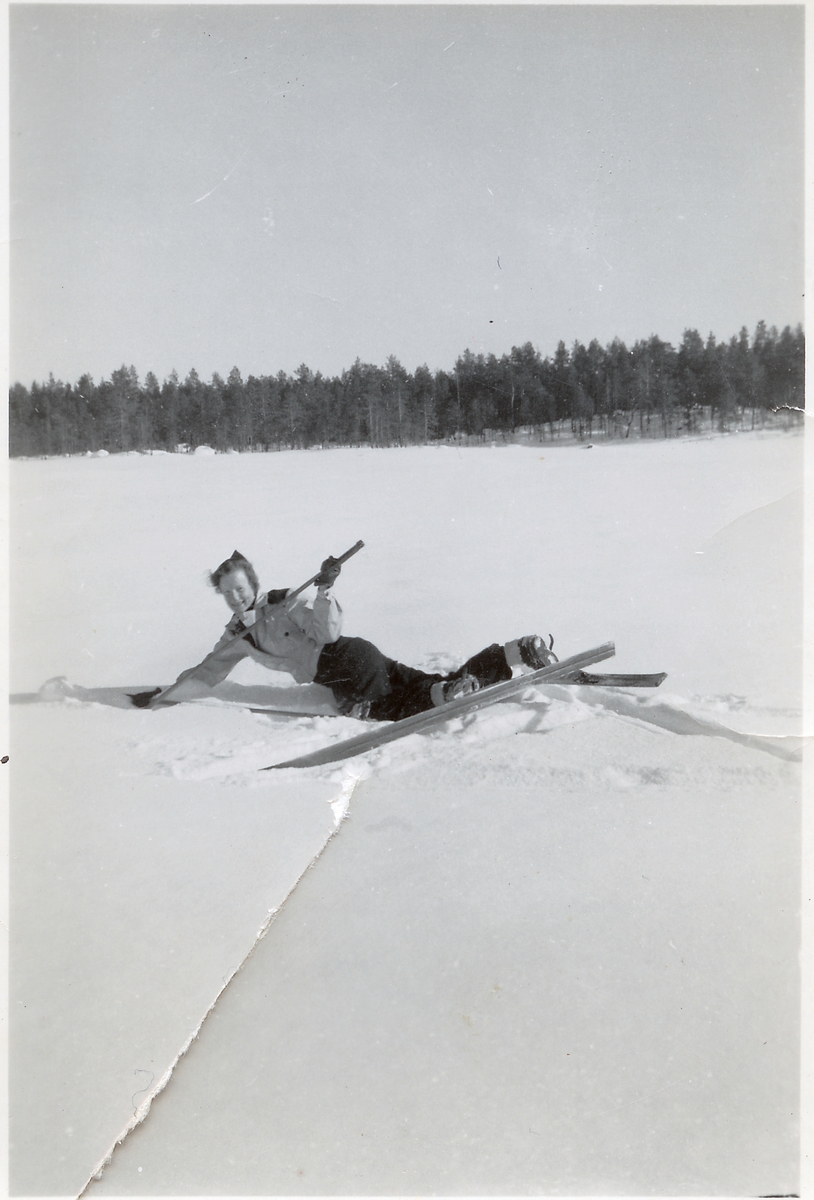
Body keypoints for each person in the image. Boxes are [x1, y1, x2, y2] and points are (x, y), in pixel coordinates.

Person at [134, 550, 557, 721]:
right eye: (227, 592)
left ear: (253, 583)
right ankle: (517, 652)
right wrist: (165, 695)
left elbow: (328, 631)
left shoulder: (282, 602)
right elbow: (207, 671)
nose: (235, 597)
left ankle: (448, 692)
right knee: (434, 683)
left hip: (346, 663)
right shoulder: (235, 636)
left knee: (395, 708)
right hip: (359, 660)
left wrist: (323, 591)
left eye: (240, 588)